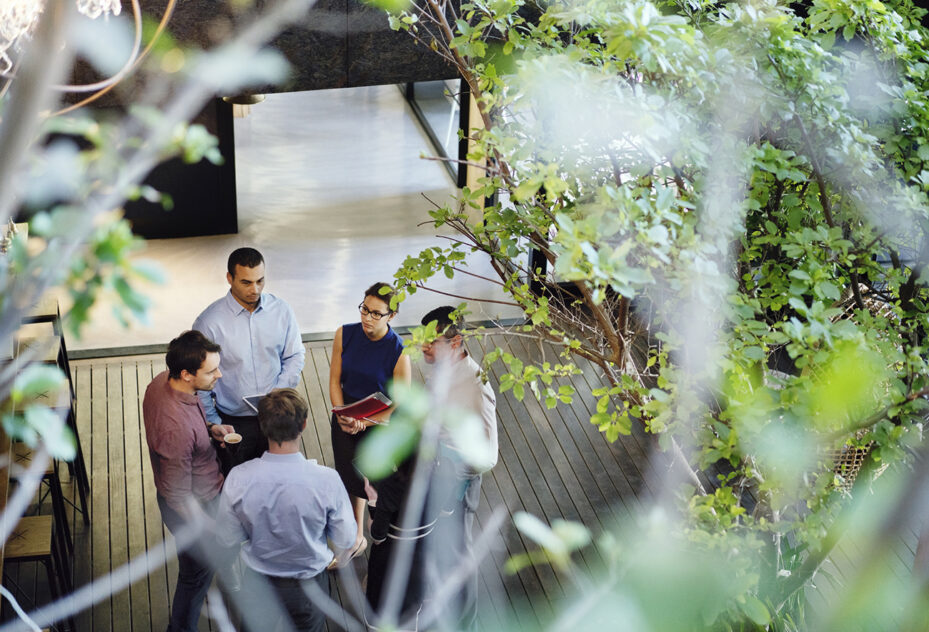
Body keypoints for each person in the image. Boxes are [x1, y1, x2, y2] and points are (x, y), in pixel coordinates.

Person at [215, 388, 356, 632]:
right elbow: (346, 538)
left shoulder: (239, 478)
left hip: (257, 585)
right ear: (304, 424)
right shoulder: (327, 481)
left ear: (262, 426)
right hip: (309, 589)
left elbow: (226, 536)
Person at [142, 330, 236, 632]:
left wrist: (211, 429)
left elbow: (190, 432)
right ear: (186, 374)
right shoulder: (175, 428)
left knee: (201, 568)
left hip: (200, 490)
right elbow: (179, 496)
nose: (218, 375)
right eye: (211, 371)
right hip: (197, 505)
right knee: (194, 576)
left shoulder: (161, 382)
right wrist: (208, 531)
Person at [193, 247, 305, 471]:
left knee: (280, 480)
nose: (255, 289)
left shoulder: (282, 310)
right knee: (235, 485)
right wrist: (214, 422)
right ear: (229, 278)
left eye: (260, 281)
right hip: (234, 422)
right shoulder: (209, 322)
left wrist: (276, 395)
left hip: (277, 414)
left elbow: (294, 355)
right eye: (246, 282)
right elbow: (200, 378)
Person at [420, 305, 498, 629]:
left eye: (431, 342)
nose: (423, 347)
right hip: (434, 472)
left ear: (455, 343)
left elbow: (488, 456)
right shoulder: (439, 369)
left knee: (459, 557)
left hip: (456, 483)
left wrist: (449, 465)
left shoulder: (475, 385)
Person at [328, 281, 412, 564]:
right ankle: (356, 537)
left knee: (374, 480)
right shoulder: (345, 334)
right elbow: (334, 379)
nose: (367, 317)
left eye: (377, 313)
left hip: (378, 423)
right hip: (345, 415)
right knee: (349, 477)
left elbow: (401, 403)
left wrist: (365, 423)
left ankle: (377, 535)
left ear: (392, 316)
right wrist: (341, 413)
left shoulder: (399, 350)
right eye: (365, 309)